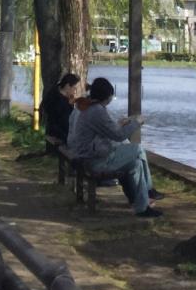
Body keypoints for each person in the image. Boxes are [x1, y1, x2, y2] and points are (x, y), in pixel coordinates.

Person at [68, 77, 161, 218]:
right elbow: (118, 136)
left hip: (87, 155)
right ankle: (149, 191)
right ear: (106, 96)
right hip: (94, 159)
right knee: (138, 150)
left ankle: (142, 208)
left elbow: (105, 130)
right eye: (110, 96)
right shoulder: (97, 110)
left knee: (135, 164)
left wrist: (119, 124)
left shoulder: (86, 106)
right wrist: (136, 123)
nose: (111, 99)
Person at [41, 73, 82, 147]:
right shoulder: (59, 102)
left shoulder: (54, 92)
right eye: (74, 88)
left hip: (54, 130)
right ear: (67, 86)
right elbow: (64, 122)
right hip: (59, 134)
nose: (75, 91)